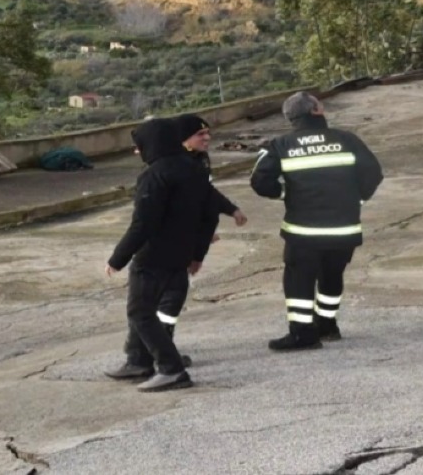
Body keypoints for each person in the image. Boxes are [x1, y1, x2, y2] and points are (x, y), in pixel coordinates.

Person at [250, 92, 383, 352]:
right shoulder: (347, 139)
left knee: (299, 278)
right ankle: (328, 325)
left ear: (290, 117)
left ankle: (302, 333)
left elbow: (259, 181)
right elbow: (373, 173)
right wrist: (355, 200)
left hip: (304, 231)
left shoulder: (280, 145)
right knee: (332, 275)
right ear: (317, 110)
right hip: (344, 229)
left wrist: (287, 194)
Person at [104, 117, 213, 392]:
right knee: (155, 309)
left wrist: (118, 258)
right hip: (181, 254)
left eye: (139, 146)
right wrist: (198, 253)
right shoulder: (195, 168)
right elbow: (208, 215)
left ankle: (171, 369)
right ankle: (139, 362)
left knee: (140, 312)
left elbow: (143, 223)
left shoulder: (155, 175)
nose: (137, 151)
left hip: (154, 256)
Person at [157, 114, 247, 358]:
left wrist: (231, 209)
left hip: (186, 238)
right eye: (201, 134)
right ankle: (158, 352)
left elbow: (206, 194)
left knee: (170, 297)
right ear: (183, 139)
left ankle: (156, 349)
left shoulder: (198, 160)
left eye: (208, 133)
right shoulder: (172, 165)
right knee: (168, 298)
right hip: (170, 242)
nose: (207, 138)